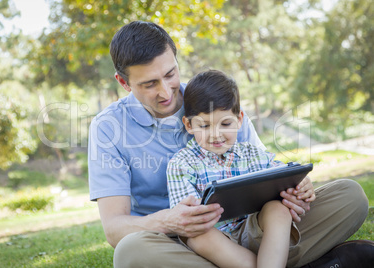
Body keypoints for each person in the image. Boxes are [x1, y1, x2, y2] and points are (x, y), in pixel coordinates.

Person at [88, 20, 370, 267]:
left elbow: (265, 173)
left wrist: (293, 192)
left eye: (170, 74)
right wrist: (170, 221)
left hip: (253, 228)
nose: (166, 92)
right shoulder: (107, 128)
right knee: (131, 252)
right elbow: (114, 229)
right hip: (184, 245)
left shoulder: (215, 100)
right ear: (124, 83)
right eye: (149, 84)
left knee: (350, 197)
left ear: (176, 59)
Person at [167, 69, 301, 268]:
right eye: (204, 126)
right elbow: (187, 219)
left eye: (226, 123)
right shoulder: (181, 163)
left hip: (254, 230)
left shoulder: (252, 154)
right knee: (197, 234)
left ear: (239, 120)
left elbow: (283, 176)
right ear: (188, 125)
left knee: (278, 209)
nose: (216, 135)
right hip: (216, 242)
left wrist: (300, 185)